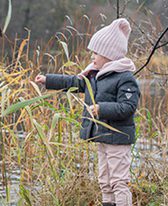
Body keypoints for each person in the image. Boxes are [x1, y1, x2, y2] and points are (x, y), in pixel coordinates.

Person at [35, 18, 139, 206]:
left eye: (96, 52)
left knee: (118, 182)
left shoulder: (125, 78)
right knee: (105, 181)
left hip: (118, 138)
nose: (92, 56)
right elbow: (73, 83)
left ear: (109, 54)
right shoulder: (94, 76)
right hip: (103, 137)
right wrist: (48, 80)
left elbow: (128, 107)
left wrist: (101, 109)